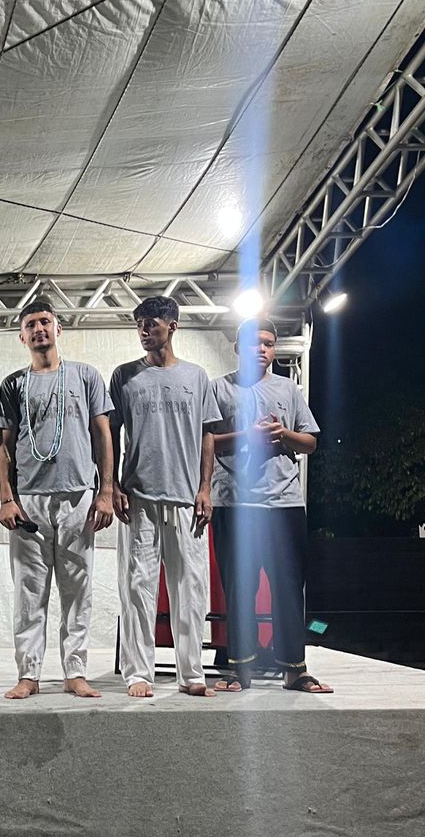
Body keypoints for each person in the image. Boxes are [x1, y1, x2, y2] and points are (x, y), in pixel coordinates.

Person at [0, 302, 115, 700]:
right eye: (31, 324)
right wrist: (7, 498)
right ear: (22, 336)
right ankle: (28, 674)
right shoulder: (14, 384)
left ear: (58, 329)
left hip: (78, 493)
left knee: (77, 589)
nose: (39, 329)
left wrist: (105, 492)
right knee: (29, 592)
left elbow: (102, 434)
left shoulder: (85, 376)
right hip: (29, 499)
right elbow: (4, 446)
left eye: (45, 321)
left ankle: (75, 672)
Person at [211, 320, 332, 694]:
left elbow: (310, 443)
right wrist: (248, 436)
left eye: (268, 343)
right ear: (238, 348)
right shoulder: (220, 388)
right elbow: (206, 442)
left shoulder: (287, 389)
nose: (261, 349)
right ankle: (238, 670)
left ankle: (294, 671)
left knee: (288, 589)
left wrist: (284, 434)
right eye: (254, 343)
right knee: (239, 589)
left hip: (284, 503)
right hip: (235, 503)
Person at [110, 296, 221, 699]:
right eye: (139, 323)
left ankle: (191, 674)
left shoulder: (196, 376)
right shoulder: (124, 376)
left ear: (172, 326)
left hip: (186, 497)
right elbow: (110, 434)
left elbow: (208, 433)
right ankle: (138, 673)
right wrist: (112, 485)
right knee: (137, 587)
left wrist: (205, 487)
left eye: (151, 323)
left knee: (191, 588)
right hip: (138, 497)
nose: (144, 330)